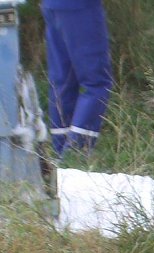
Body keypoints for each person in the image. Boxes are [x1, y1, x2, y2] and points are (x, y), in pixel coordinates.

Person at [40, 0, 113, 159]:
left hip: (52, 5)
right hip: (81, 6)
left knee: (63, 80)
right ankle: (74, 154)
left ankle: (60, 152)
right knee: (96, 82)